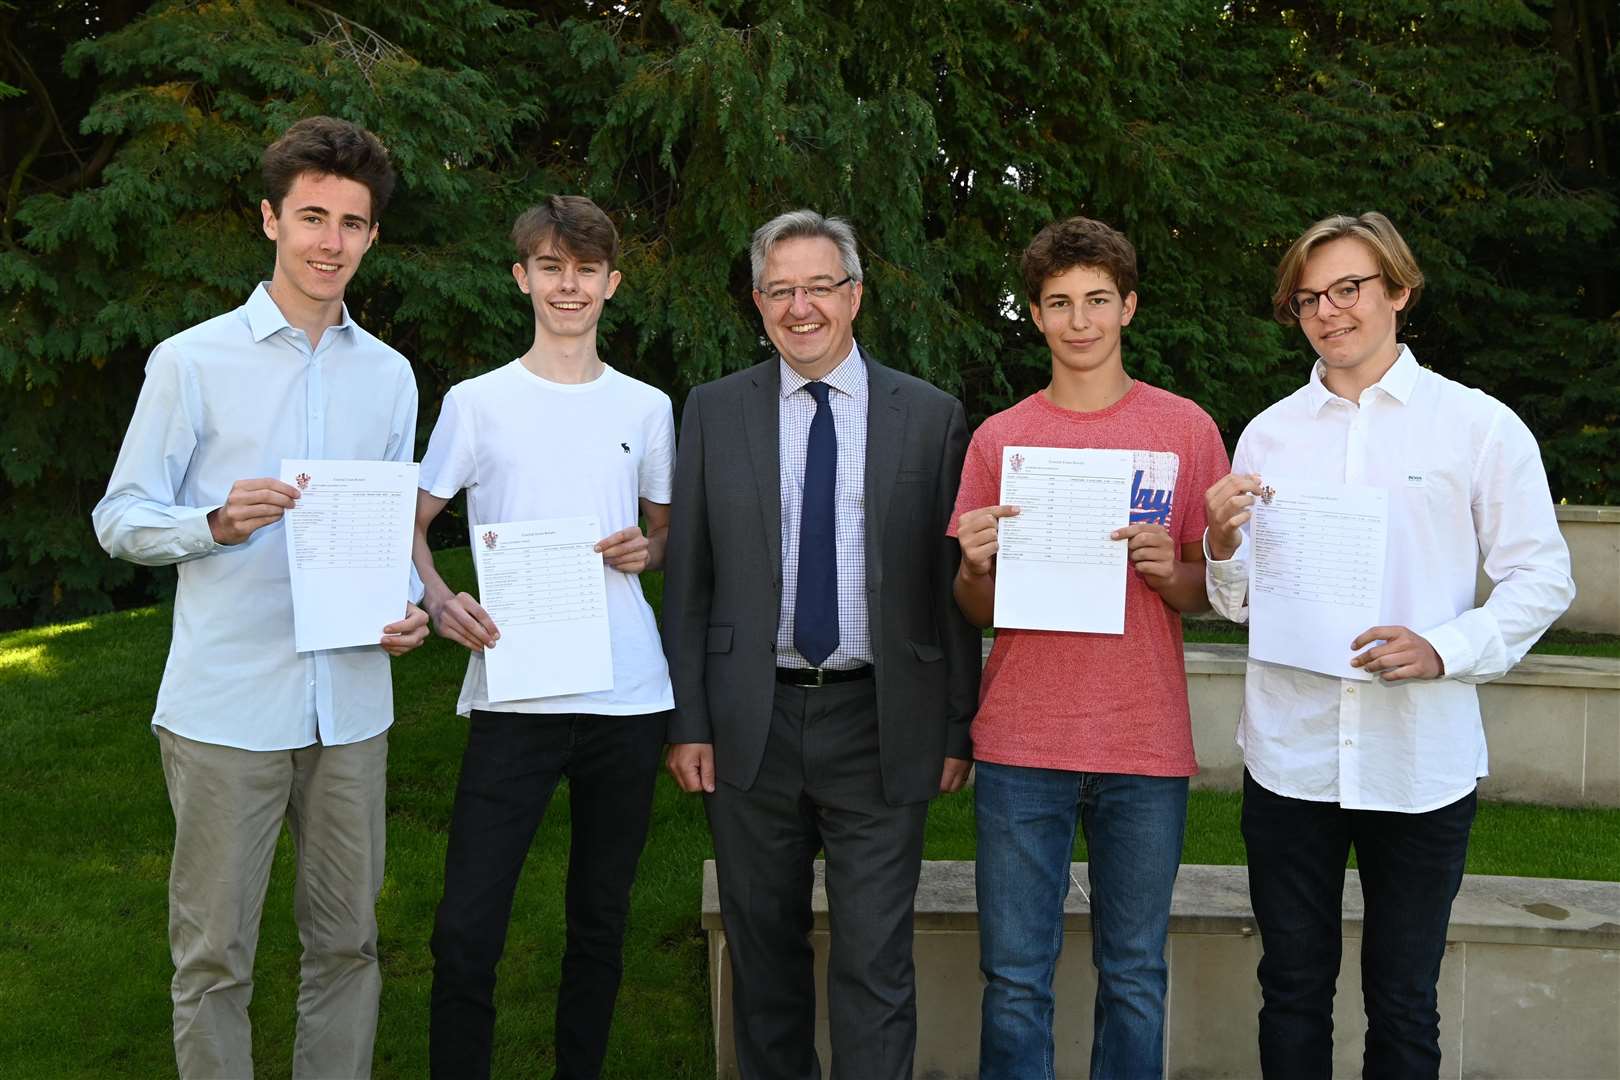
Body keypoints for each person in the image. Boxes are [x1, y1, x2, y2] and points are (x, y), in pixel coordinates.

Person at [92, 116, 428, 1078]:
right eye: (312, 216)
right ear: (271, 219)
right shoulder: (192, 361)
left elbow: (388, 526)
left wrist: (407, 603)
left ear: (371, 237)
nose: (331, 241)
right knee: (213, 961)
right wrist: (214, 524)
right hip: (228, 709)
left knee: (348, 947)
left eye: (351, 223)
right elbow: (120, 517)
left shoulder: (390, 375)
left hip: (353, 706)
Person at [1203, 211, 1575, 1078]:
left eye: (1348, 290)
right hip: (1291, 758)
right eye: (1308, 299)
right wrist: (1222, 546)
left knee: (1403, 1002)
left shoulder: (1476, 426)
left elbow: (1544, 576)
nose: (1329, 312)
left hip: (1418, 761)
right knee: (1291, 987)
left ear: (1398, 292)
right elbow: (1240, 602)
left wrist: (1444, 647)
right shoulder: (1270, 432)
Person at [660, 209, 980, 1079]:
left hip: (881, 720)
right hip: (747, 724)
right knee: (762, 956)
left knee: (874, 959)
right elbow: (687, 579)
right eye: (780, 289)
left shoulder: (930, 414)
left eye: (819, 287)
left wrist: (957, 725)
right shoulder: (715, 410)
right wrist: (689, 718)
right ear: (759, 302)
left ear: (856, 296)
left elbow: (949, 587)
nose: (801, 307)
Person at [951, 216, 1231, 1079]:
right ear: (1035, 315)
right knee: (1014, 979)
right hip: (1021, 740)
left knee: (1136, 974)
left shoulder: (1185, 431)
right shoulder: (1001, 439)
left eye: (1098, 301)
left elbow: (1209, 591)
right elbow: (975, 608)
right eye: (1060, 303)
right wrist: (972, 563)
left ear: (1129, 307)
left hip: (1142, 743)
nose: (1080, 321)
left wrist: (1168, 571)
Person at [412, 195, 675, 1079]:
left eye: (588, 270)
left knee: (599, 921)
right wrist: (441, 599)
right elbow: (406, 524)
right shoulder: (477, 403)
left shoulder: (646, 407)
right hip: (515, 691)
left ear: (613, 283)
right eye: (552, 268)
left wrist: (651, 546)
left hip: (626, 697)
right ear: (523, 277)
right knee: (465, 930)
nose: (571, 286)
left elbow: (665, 532)